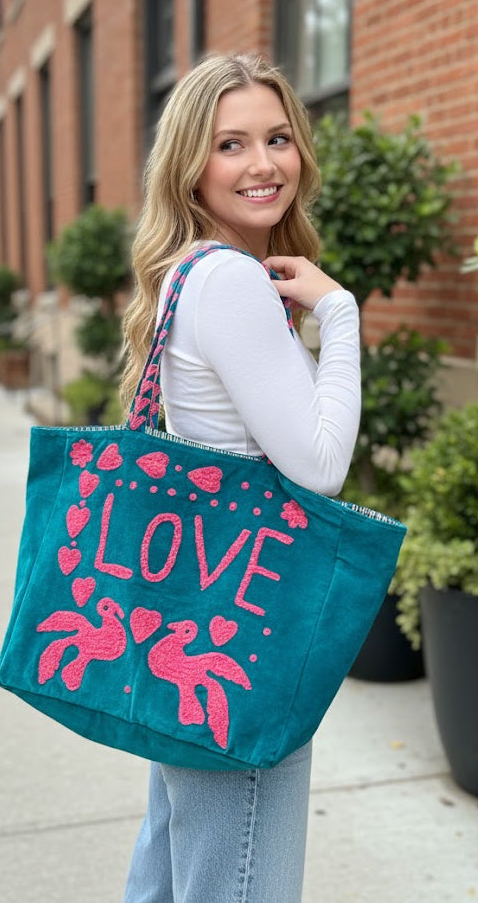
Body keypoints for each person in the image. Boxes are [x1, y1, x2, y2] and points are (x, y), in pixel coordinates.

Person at [120, 52, 361, 903]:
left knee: (173, 863)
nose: (262, 164)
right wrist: (339, 314)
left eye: (278, 138)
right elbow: (320, 465)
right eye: (230, 144)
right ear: (191, 166)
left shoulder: (190, 271)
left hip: (193, 609)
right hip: (241, 637)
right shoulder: (227, 281)